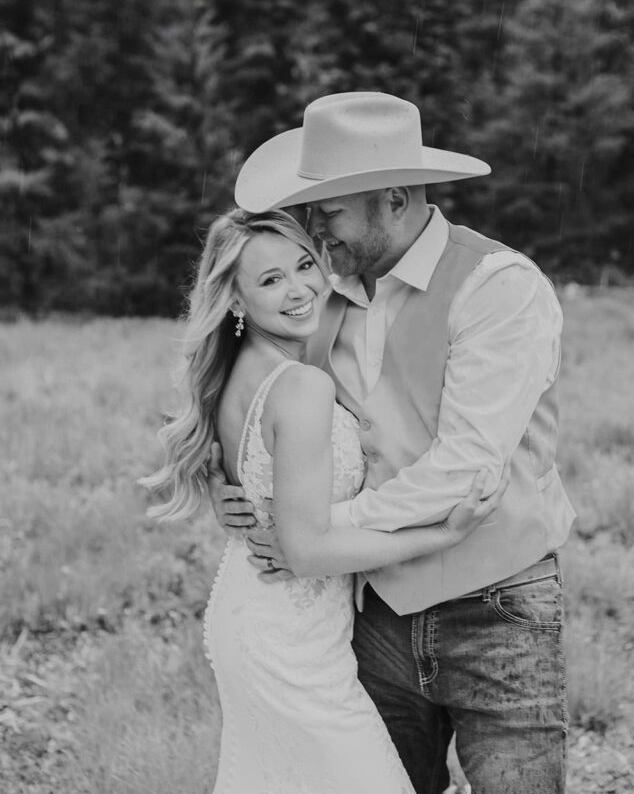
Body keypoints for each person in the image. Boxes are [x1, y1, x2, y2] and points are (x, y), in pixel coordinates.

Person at [208, 91, 577, 794]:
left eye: (330, 209)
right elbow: (262, 414)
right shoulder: (320, 295)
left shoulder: (496, 287)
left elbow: (464, 470)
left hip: (494, 609)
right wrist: (233, 495)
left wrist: (308, 530)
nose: (314, 229)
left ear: (397, 199)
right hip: (369, 610)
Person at [139, 207, 505, 794]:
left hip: (258, 618)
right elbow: (306, 552)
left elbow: (238, 461)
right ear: (234, 300)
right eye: (270, 280)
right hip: (290, 640)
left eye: (304, 265)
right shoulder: (301, 384)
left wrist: (219, 486)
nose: (300, 288)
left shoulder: (243, 371)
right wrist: (447, 534)